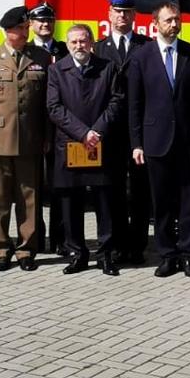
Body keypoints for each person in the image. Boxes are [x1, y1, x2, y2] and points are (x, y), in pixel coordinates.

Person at [127, 1, 190, 279]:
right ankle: (167, 255)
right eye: (168, 20)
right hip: (156, 140)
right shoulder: (142, 56)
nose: (174, 24)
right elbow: (135, 103)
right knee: (160, 202)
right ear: (155, 24)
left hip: (188, 142)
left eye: (176, 19)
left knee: (188, 202)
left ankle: (188, 255)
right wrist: (136, 142)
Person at [0, 5, 55, 271]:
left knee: (28, 197)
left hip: (30, 138)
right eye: (21, 28)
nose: (26, 31)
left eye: (26, 27)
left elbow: (46, 104)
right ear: (9, 32)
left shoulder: (41, 57)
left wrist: (47, 136)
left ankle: (27, 249)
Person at [47, 24, 128, 275]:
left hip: (101, 145)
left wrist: (97, 131)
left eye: (83, 41)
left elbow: (117, 101)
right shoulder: (56, 70)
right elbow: (54, 107)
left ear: (91, 42)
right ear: (68, 44)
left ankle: (105, 255)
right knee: (71, 203)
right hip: (71, 145)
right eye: (73, 42)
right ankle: (77, 254)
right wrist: (83, 133)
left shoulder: (108, 67)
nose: (78, 46)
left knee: (105, 202)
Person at [94, 0, 152, 265]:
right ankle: (114, 244)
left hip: (139, 128)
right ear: (109, 15)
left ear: (134, 16)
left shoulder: (147, 45)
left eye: (127, 12)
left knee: (140, 190)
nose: (122, 16)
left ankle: (137, 246)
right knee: (112, 189)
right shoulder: (98, 48)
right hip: (110, 129)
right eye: (117, 12)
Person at [28, 2, 70, 255]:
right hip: (32, 128)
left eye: (49, 20)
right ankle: (34, 239)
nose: (45, 24)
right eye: (40, 20)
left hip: (59, 129)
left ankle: (61, 240)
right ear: (31, 24)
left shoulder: (64, 50)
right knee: (31, 187)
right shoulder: (27, 51)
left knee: (60, 186)